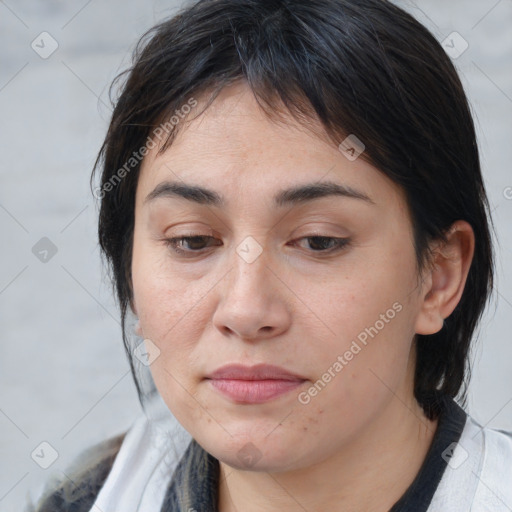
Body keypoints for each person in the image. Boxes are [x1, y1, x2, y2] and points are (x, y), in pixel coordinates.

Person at [28, 0, 512, 510]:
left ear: (439, 275)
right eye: (192, 240)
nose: (245, 310)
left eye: (319, 241)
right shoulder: (89, 496)